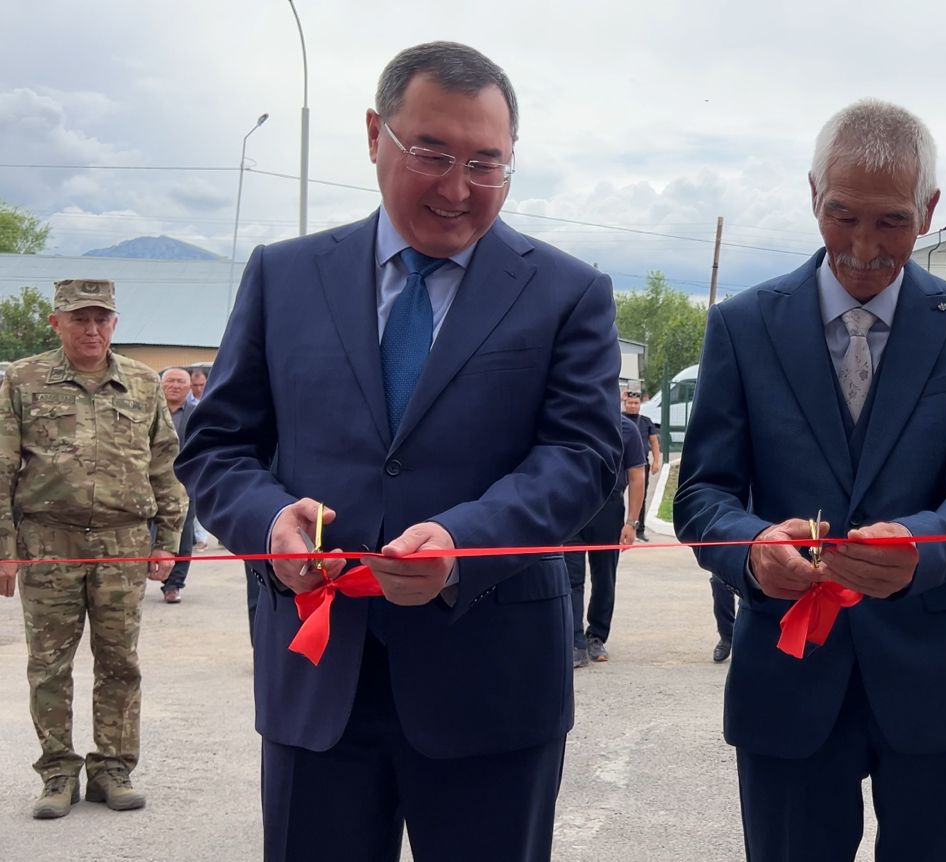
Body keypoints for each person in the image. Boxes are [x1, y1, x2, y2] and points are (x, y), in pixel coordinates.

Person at [174, 42, 621, 862]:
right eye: (433, 154)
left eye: (487, 163)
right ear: (376, 134)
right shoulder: (286, 276)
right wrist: (271, 522)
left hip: (492, 684)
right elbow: (218, 446)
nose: (457, 188)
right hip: (318, 681)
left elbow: (583, 455)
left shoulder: (567, 292)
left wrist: (464, 544)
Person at [674, 98, 946, 862]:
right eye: (841, 215)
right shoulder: (743, 326)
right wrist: (752, 547)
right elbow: (700, 495)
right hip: (789, 676)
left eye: (892, 221)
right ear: (812, 194)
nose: (863, 247)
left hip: (937, 673)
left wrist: (921, 547)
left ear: (929, 209)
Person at [0, 278, 184, 819]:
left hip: (122, 542)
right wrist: (5, 547)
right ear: (56, 323)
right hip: (48, 542)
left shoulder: (144, 384)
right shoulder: (23, 379)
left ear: (115, 323)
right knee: (49, 664)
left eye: (101, 318)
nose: (92, 328)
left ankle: (113, 769)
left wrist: (168, 541)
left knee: (119, 661)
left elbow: (165, 467)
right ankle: (57, 772)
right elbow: (3, 466)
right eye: (79, 318)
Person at [566, 411, 646, 667]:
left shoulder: (626, 429)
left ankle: (596, 636)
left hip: (608, 508)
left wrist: (632, 523)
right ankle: (574, 640)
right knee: (571, 576)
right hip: (573, 507)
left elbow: (636, 476)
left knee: (605, 576)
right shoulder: (572, 420)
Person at [159, 367, 197, 603]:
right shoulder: (150, 409)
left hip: (185, 482)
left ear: (189, 387)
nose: (174, 385)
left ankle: (174, 583)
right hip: (151, 480)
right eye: (170, 381)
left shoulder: (198, 413)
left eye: (180, 381)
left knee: (183, 531)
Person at [621, 388, 659, 538]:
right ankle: (618, 526)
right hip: (621, 466)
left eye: (635, 403)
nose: (632, 406)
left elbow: (654, 441)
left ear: (640, 404)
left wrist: (656, 461)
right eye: (629, 403)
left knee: (640, 498)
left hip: (641, 465)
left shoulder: (646, 421)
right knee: (617, 498)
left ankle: (639, 529)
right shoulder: (618, 419)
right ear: (625, 403)